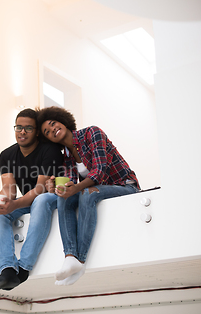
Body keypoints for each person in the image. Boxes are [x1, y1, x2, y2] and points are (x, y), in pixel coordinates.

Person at [37, 106, 140, 286]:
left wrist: (74, 188)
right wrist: (56, 188)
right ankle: (69, 256)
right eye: (47, 132)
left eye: (53, 124)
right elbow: (70, 184)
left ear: (63, 120)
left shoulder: (92, 133)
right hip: (99, 190)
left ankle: (80, 261)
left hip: (125, 186)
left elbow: (100, 172)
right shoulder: (67, 156)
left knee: (87, 192)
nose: (52, 130)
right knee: (64, 197)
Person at [0, 108, 64, 291]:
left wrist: (14, 204)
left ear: (36, 131)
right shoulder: (6, 155)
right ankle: (7, 269)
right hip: (28, 201)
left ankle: (23, 268)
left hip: (53, 198)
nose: (22, 131)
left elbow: (40, 188)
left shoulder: (49, 150)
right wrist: (0, 202)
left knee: (41, 200)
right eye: (19, 127)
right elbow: (9, 189)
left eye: (28, 128)